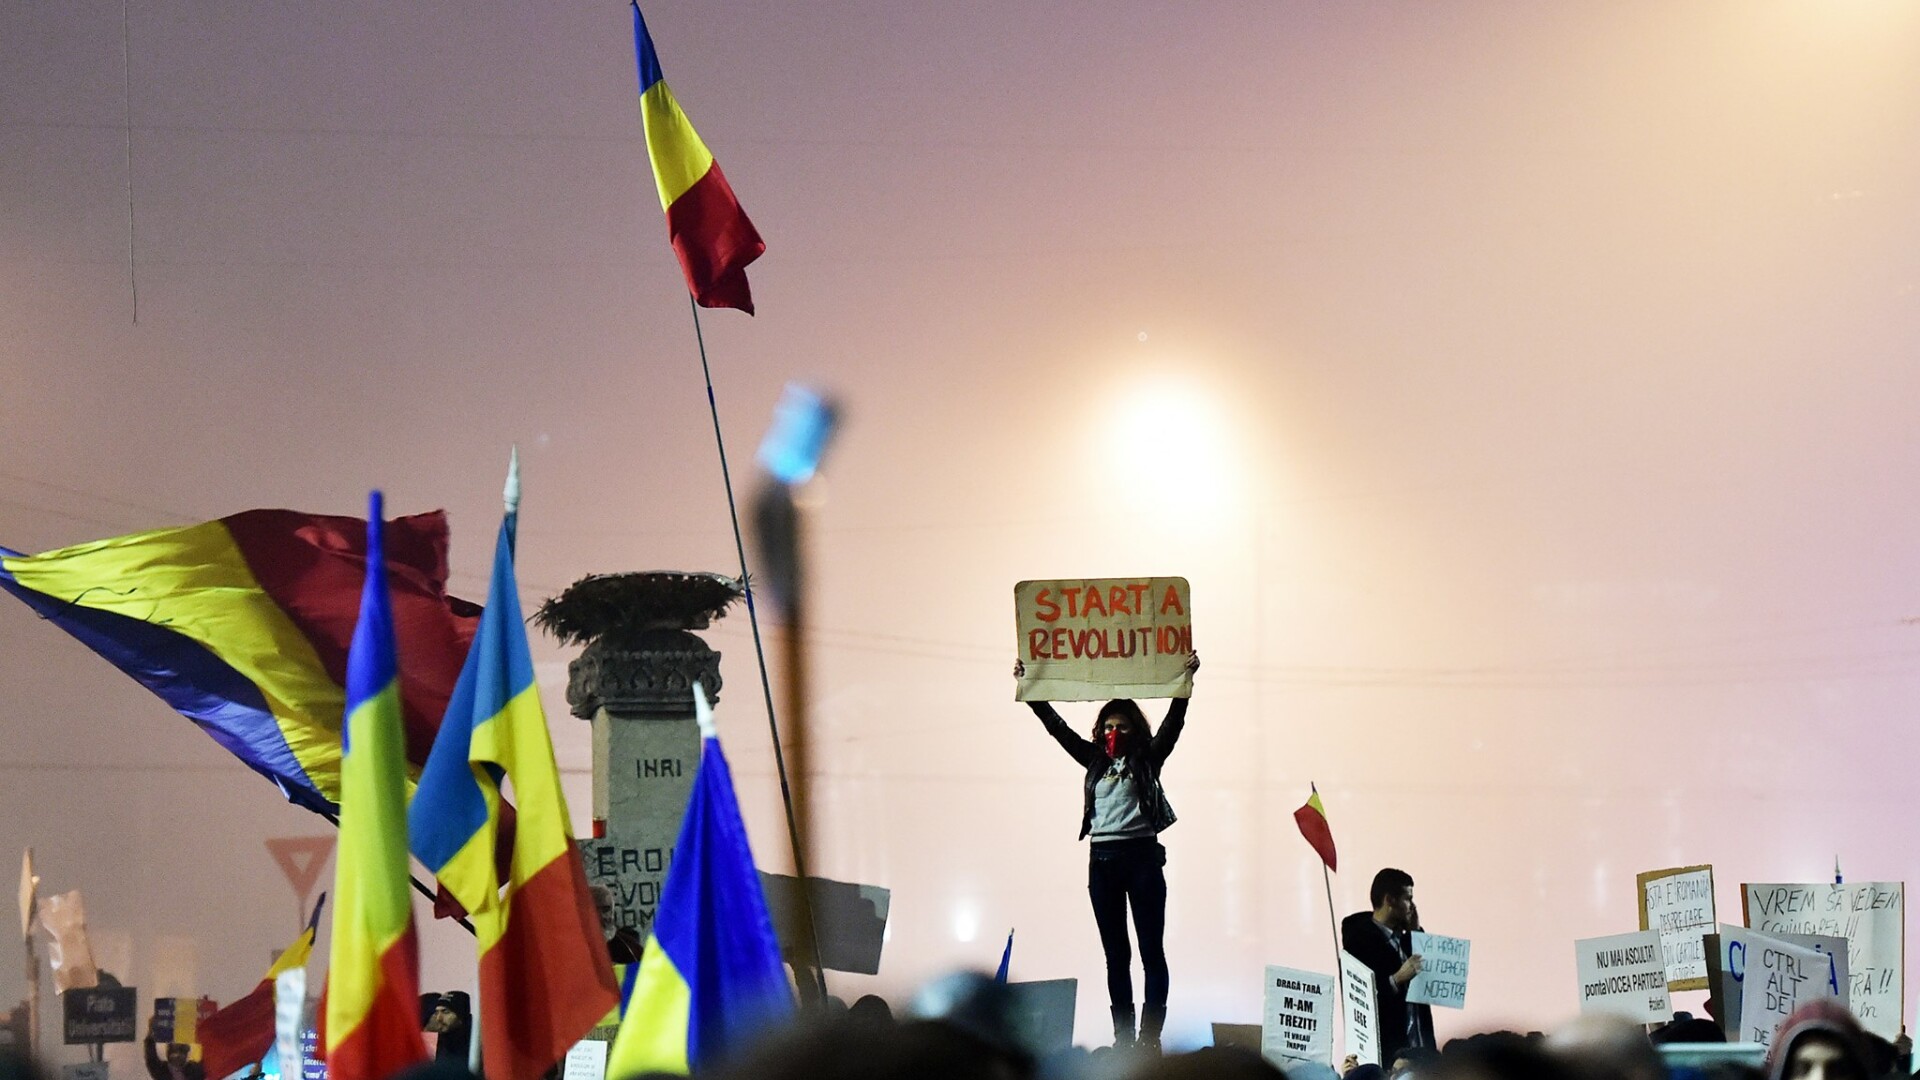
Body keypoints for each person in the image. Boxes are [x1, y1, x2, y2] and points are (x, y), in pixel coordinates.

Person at [1014, 652, 1200, 1053]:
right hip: (1102, 864)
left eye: (1123, 726)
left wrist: (1184, 683)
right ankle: (1122, 1038)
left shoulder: (1148, 759)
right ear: (1100, 731)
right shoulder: (1094, 760)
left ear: (1136, 731)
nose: (1116, 732)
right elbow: (1057, 730)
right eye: (1109, 726)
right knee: (1116, 954)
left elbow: (1173, 724)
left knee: (1151, 949)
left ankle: (1150, 1037)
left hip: (1143, 860)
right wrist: (1031, 691)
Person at [1342, 868, 1435, 1065]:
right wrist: (1396, 979)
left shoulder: (1407, 938)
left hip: (1422, 1054)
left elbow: (1429, 981)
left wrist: (1416, 932)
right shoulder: (1359, 942)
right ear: (1390, 900)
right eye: (1408, 898)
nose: (1412, 906)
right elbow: (1359, 998)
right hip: (1389, 1059)